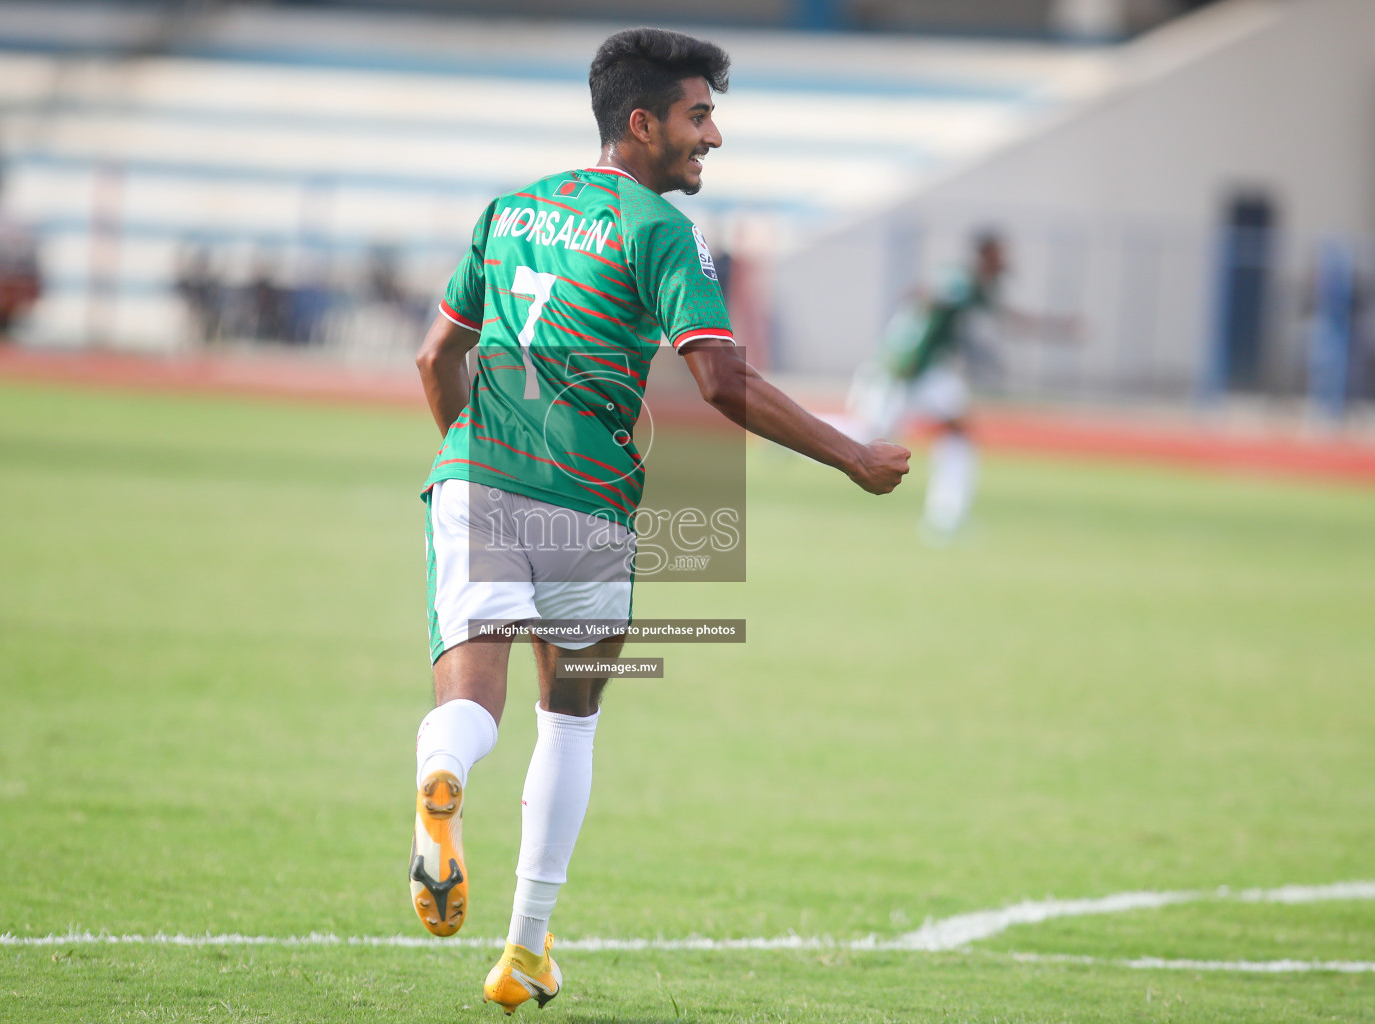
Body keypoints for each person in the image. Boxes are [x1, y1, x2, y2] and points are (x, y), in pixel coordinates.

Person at [409, 27, 910, 1015]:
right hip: (589, 501)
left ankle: (439, 775)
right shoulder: (661, 232)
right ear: (641, 124)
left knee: (472, 698)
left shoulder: (508, 209)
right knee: (572, 718)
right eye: (698, 115)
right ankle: (523, 948)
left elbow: (435, 360)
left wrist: (473, 459)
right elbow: (720, 379)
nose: (712, 136)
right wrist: (852, 453)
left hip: (476, 475)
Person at [844, 232, 1074, 541]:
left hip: (927, 373)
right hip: (902, 371)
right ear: (985, 254)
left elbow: (1006, 318)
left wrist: (1057, 328)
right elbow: (921, 298)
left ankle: (946, 518)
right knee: (865, 439)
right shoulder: (960, 282)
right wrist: (907, 348)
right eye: (1000, 253)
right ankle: (794, 437)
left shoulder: (972, 286)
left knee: (958, 433)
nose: (1005, 261)